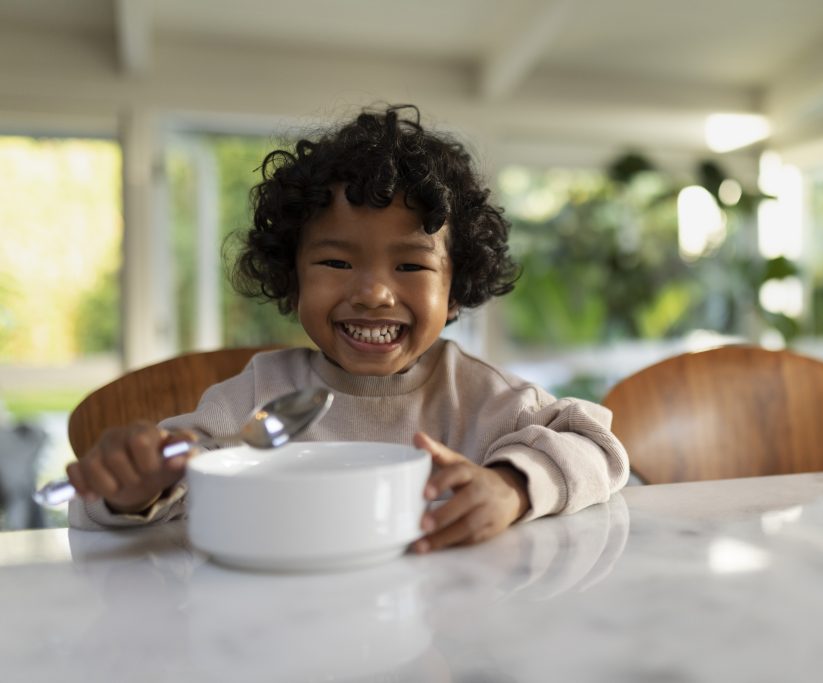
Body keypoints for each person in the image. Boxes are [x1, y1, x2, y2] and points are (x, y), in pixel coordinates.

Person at [67, 104, 629, 552]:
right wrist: (139, 485)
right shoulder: (261, 399)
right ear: (291, 278)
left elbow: (597, 448)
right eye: (336, 263)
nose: (372, 293)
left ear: (456, 292)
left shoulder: (483, 398)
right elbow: (161, 487)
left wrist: (510, 487)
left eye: (410, 266)